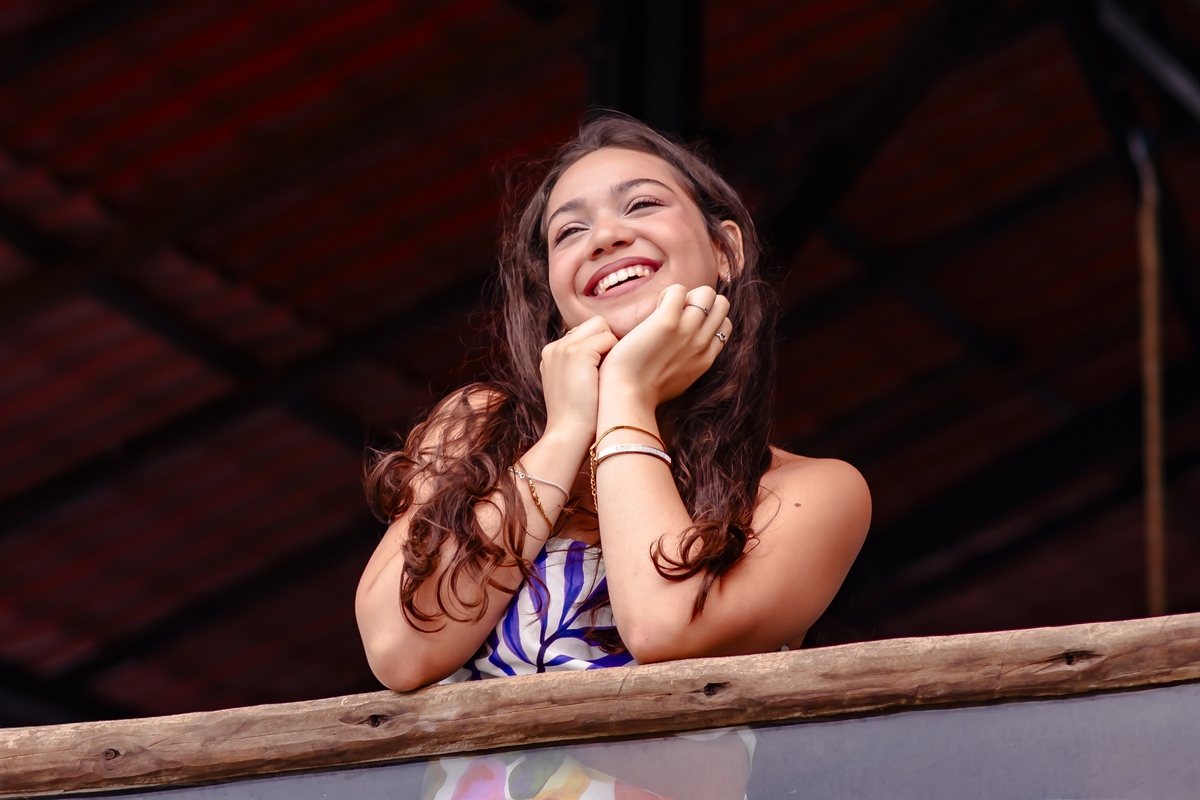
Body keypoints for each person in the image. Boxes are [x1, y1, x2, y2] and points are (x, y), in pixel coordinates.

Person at [356, 114, 871, 799]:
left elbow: (659, 629)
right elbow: (401, 647)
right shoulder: (478, 429)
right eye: (570, 231)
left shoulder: (813, 492)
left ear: (726, 251)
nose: (606, 236)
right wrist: (568, 428)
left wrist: (626, 395)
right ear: (554, 296)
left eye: (643, 204)